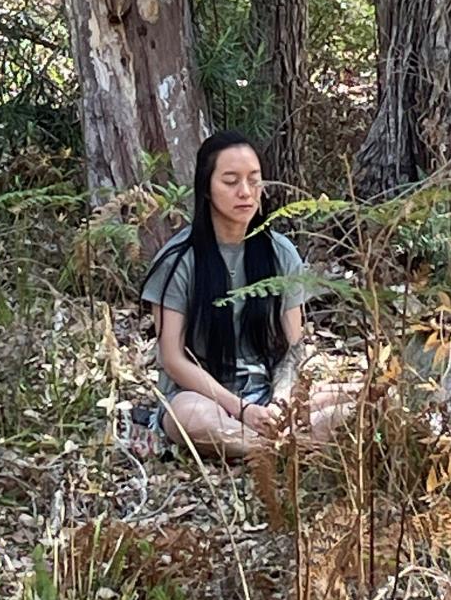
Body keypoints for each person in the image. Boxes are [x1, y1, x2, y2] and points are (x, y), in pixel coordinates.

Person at [140, 130, 358, 458]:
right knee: (191, 418)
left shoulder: (280, 253)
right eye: (230, 181)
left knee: (365, 398)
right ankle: (288, 448)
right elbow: (173, 359)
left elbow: (293, 348)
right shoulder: (178, 260)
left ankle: (272, 445)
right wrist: (241, 410)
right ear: (207, 189)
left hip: (269, 397)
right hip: (204, 398)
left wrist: (280, 401)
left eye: (254, 180)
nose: (245, 192)